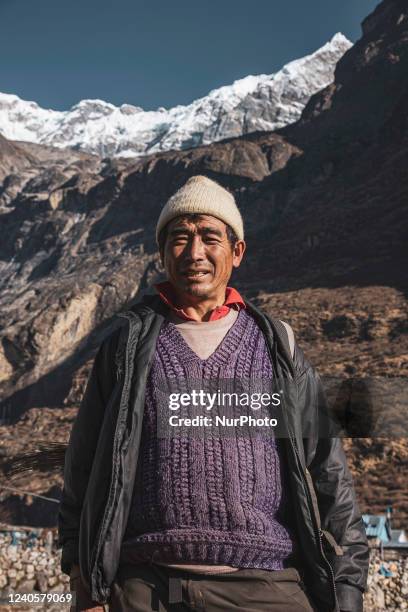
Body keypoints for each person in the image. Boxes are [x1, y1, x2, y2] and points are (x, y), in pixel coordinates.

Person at [58, 175, 369, 612]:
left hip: (266, 586)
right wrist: (84, 582)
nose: (195, 253)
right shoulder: (124, 346)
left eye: (209, 237)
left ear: (237, 251)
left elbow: (327, 473)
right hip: (144, 588)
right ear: (163, 253)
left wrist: (347, 589)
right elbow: (84, 469)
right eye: (180, 239)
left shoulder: (278, 345)